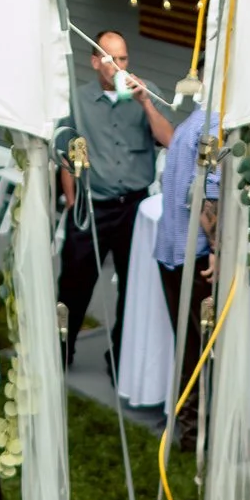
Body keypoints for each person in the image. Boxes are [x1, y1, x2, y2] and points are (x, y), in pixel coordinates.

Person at [55, 31, 175, 371]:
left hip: (134, 208)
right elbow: (69, 152)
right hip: (92, 206)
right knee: (74, 284)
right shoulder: (78, 101)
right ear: (95, 61)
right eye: (110, 58)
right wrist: (73, 199)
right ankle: (63, 351)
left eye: (123, 58)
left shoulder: (145, 91)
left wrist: (146, 103)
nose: (118, 65)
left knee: (132, 284)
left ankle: (119, 357)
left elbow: (169, 140)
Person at [151, 103, 216, 425]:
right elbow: (207, 193)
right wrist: (217, 246)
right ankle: (195, 427)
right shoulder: (213, 125)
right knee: (200, 348)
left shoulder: (196, 121)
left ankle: (187, 421)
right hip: (195, 252)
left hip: (173, 248)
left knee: (189, 344)